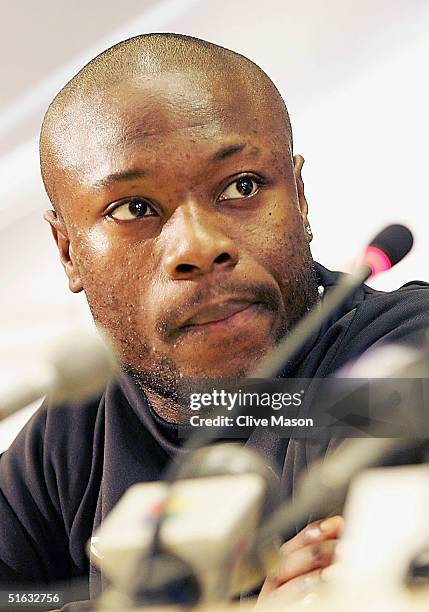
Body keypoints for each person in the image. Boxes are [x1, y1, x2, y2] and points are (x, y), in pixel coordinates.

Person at [1, 33, 428, 609]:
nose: (199, 246)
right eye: (134, 209)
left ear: (299, 198)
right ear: (69, 251)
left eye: (241, 187)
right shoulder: (76, 429)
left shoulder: (404, 352)